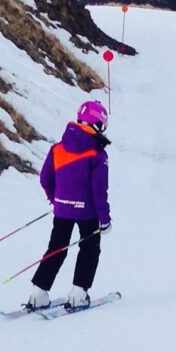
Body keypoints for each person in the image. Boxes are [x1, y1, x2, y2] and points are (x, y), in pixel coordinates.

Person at [27, 100, 111, 309]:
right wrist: (105, 219)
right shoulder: (97, 154)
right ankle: (79, 293)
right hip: (89, 213)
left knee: (56, 248)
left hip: (62, 210)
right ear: (97, 124)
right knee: (89, 249)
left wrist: (56, 198)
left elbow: (45, 179)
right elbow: (99, 191)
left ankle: (38, 293)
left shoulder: (57, 148)